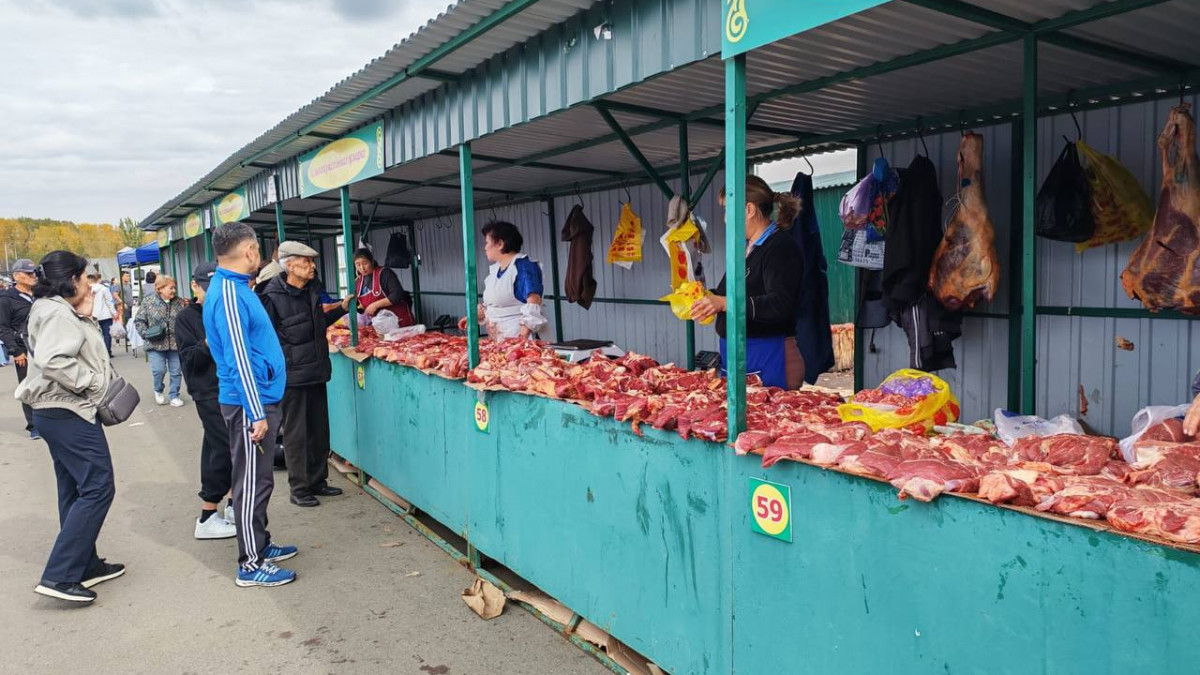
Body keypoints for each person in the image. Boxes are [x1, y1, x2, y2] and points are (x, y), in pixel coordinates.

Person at [18, 251, 124, 603]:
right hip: (67, 410)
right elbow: (53, 360)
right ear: (72, 279)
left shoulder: (57, 310)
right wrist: (96, 385)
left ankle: (83, 564)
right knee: (98, 486)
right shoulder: (56, 313)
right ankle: (60, 575)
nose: (91, 283)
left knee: (75, 489)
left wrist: (85, 315)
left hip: (58, 411)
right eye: (86, 277)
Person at [205, 222, 297, 588]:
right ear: (249, 252)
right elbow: (237, 356)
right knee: (250, 482)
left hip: (257, 397)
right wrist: (256, 410)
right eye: (258, 248)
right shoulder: (228, 293)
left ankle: (261, 543)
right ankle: (251, 563)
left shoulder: (238, 287)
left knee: (260, 480)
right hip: (249, 403)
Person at [691, 176, 805, 390]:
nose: (725, 218)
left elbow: (781, 303)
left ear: (749, 209)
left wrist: (724, 303)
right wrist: (706, 298)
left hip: (769, 357)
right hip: (740, 357)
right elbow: (729, 293)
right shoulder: (746, 249)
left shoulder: (780, 247)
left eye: (727, 209)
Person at [260, 242, 351, 507]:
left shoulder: (311, 289)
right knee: (296, 434)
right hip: (291, 375)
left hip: (316, 370)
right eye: (306, 262)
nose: (312, 266)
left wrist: (341, 309)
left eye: (312, 261)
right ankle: (299, 488)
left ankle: (317, 481)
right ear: (289, 265)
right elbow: (265, 339)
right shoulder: (271, 296)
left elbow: (315, 324)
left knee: (319, 430)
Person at [176, 261, 236, 540]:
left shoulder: (229, 309)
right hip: (208, 391)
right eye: (207, 289)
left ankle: (227, 507)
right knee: (228, 448)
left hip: (232, 387)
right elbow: (188, 360)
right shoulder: (187, 318)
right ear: (194, 286)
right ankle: (209, 513)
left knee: (218, 448)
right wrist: (208, 342)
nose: (213, 294)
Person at [456, 221, 548, 339]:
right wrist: (474, 316)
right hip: (499, 339)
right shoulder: (494, 271)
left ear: (500, 244)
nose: (485, 248)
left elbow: (534, 301)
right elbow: (494, 306)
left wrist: (522, 337)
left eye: (487, 243)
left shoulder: (524, 266)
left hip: (520, 340)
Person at [1, 259, 38, 438]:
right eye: (28, 273)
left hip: (43, 346)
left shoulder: (39, 294)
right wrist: (15, 351)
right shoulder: (7, 299)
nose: (33, 276)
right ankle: (34, 425)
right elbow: (3, 327)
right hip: (23, 349)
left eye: (34, 273)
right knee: (28, 387)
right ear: (16, 276)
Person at [135, 276, 185, 407]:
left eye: (174, 287)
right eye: (171, 288)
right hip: (155, 344)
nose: (174, 290)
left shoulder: (179, 302)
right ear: (160, 288)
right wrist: (146, 334)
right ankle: (158, 389)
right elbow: (139, 320)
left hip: (175, 343)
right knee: (159, 370)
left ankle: (174, 395)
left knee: (176, 371)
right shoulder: (148, 302)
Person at [352, 248, 415, 324]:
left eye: (365, 263)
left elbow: (397, 294)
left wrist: (375, 305)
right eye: (358, 265)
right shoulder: (358, 281)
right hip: (379, 325)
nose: (362, 268)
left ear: (371, 261)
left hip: (398, 321)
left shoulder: (385, 273)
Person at [89, 274, 117, 358]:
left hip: (92, 315)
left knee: (95, 335)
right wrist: (114, 312)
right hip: (105, 315)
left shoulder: (86, 290)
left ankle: (98, 353)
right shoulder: (104, 289)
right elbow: (109, 301)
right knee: (107, 334)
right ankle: (107, 352)